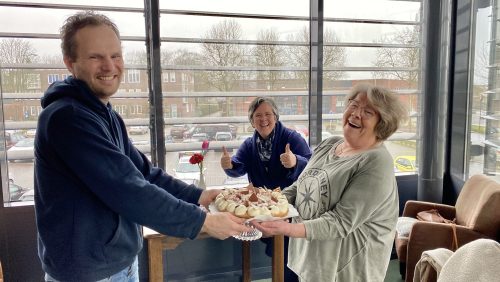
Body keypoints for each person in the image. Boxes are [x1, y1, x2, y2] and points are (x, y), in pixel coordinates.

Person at [34, 11, 251, 282]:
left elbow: (144, 173)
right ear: (70, 62)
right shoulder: (67, 118)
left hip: (120, 265)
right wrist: (202, 221)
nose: (109, 66)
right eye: (95, 57)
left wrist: (199, 195)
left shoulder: (104, 114)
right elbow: (126, 188)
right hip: (87, 274)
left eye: (115, 55)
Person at [252, 83, 408, 282]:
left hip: (346, 271)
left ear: (382, 124)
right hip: (311, 260)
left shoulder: (377, 162)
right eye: (353, 104)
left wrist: (286, 228)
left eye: (368, 111)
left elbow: (341, 221)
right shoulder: (330, 144)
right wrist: (263, 204)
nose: (356, 113)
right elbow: (300, 188)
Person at [220, 96, 312, 282]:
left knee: (289, 254)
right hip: (263, 210)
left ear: (276, 117)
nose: (264, 119)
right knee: (278, 253)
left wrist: (295, 162)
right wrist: (228, 165)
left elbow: (311, 167)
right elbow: (239, 167)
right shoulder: (249, 145)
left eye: (268, 114)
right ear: (252, 121)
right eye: (258, 116)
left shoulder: (292, 138)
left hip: (292, 207)